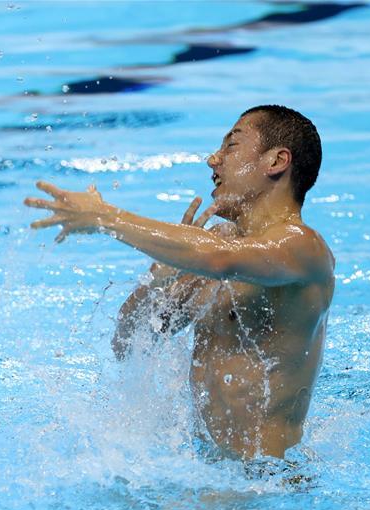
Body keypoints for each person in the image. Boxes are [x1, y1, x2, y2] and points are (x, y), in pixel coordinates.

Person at [25, 105, 334, 460]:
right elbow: (129, 340)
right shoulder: (217, 245)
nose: (213, 160)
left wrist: (104, 216)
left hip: (267, 481)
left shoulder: (302, 248)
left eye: (231, 146)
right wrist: (161, 275)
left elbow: (219, 258)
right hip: (208, 470)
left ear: (276, 161)